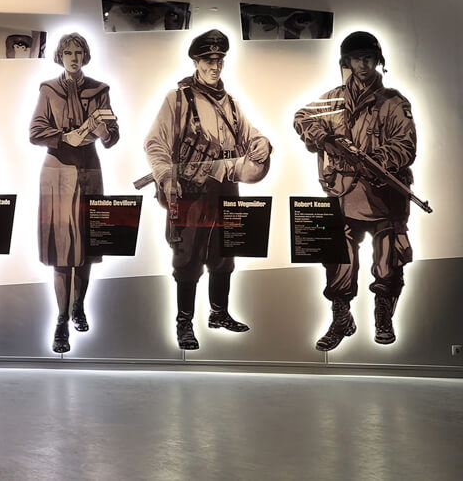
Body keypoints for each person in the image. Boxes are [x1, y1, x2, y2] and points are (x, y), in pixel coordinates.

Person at [144, 29, 271, 350]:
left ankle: (219, 312)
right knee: (188, 255)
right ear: (196, 62)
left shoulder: (230, 104)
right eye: (207, 60)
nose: (214, 66)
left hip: (226, 185)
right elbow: (155, 142)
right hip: (191, 188)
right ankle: (184, 323)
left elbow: (249, 133)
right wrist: (165, 176)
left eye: (219, 60)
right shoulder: (178, 99)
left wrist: (261, 144)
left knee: (225, 250)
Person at [293, 31, 417, 350]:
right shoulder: (333, 99)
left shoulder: (393, 103)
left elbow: (406, 146)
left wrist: (378, 159)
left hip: (383, 197)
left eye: (368, 58)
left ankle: (383, 316)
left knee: (388, 263)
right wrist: (322, 135)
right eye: (356, 58)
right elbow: (302, 117)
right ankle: (341, 318)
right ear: (347, 61)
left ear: (378, 61)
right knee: (339, 263)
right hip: (342, 194)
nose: (363, 64)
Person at [29, 33, 118, 354]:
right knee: (61, 253)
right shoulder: (48, 90)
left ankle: (79, 304)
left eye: (79, 52)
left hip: (89, 173)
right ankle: (61, 320)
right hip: (56, 175)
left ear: (86, 55)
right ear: (59, 55)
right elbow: (35, 131)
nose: (73, 57)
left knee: (87, 248)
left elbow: (112, 137)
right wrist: (68, 137)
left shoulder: (100, 90)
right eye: (68, 52)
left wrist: (106, 129)